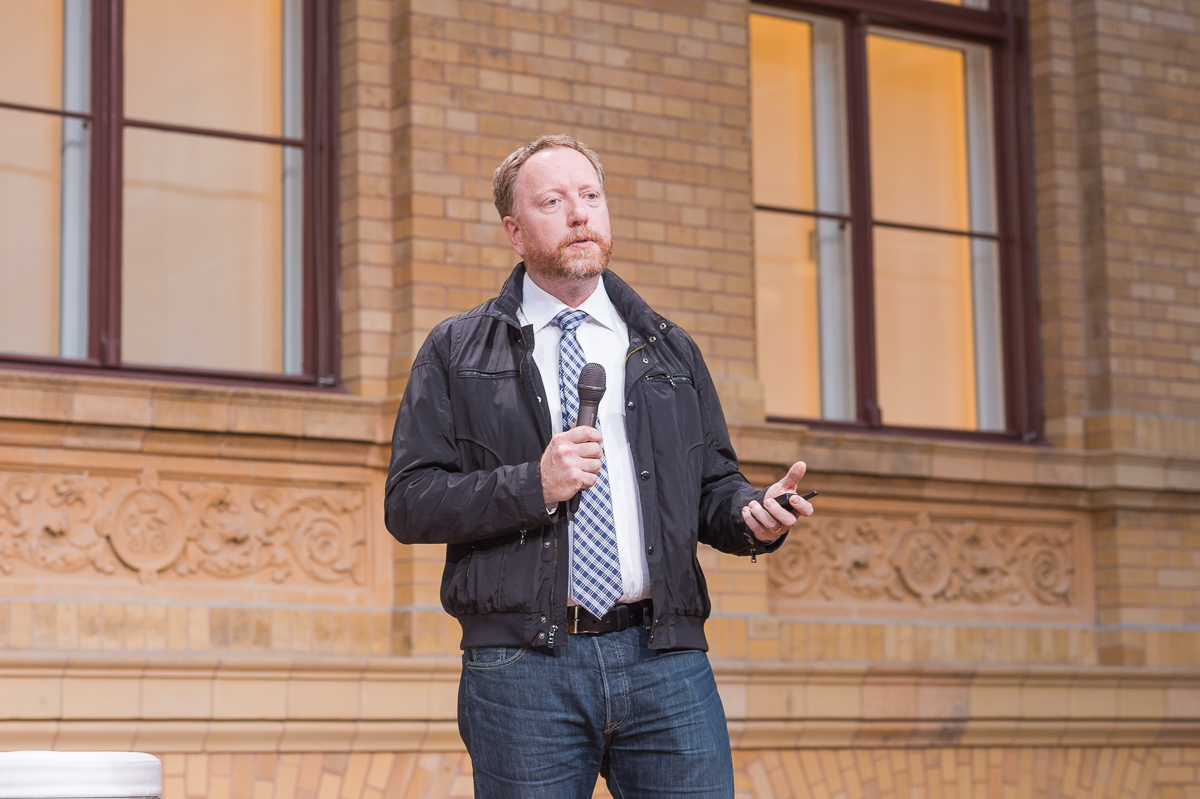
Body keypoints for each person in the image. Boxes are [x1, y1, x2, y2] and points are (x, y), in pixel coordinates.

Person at [384, 134, 814, 798]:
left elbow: (711, 487)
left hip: (665, 660)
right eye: (554, 201)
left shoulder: (669, 349)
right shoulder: (456, 350)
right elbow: (410, 502)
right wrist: (533, 484)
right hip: (522, 669)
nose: (580, 214)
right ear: (514, 231)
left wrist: (751, 515)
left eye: (590, 196)